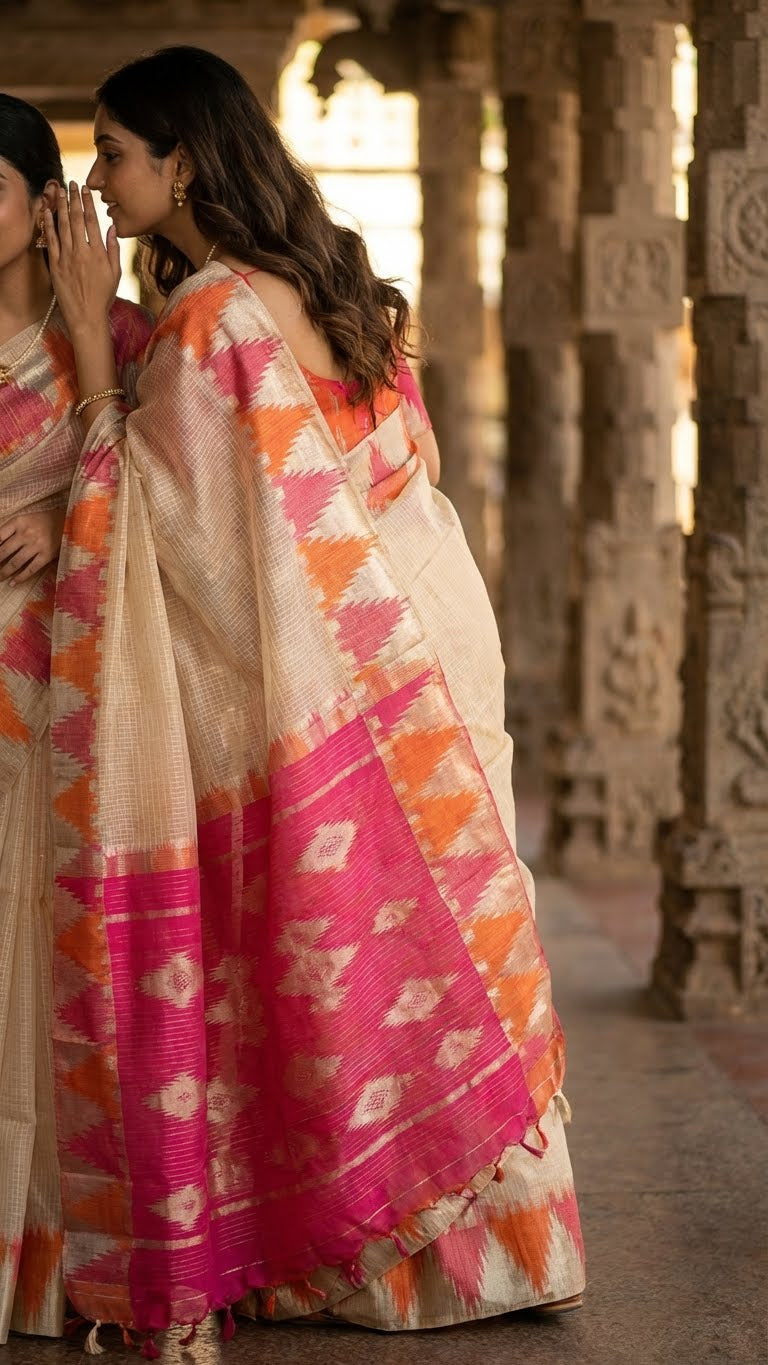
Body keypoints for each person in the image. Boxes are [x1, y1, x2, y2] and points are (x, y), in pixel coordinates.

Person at [44, 46, 585, 1351]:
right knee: (436, 924)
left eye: (114, 153)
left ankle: (372, 1254)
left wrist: (79, 326)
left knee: (335, 927)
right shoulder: (321, 274)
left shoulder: (213, 318)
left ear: (183, 159)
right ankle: (499, 1249)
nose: (100, 183)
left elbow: (177, 527)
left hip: (331, 677)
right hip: (428, 637)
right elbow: (398, 462)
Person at [0, 94, 152, 1346]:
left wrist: (60, 523)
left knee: (39, 953)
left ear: (42, 207)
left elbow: (170, 495)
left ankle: (47, 1251)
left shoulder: (109, 341)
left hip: (55, 688)